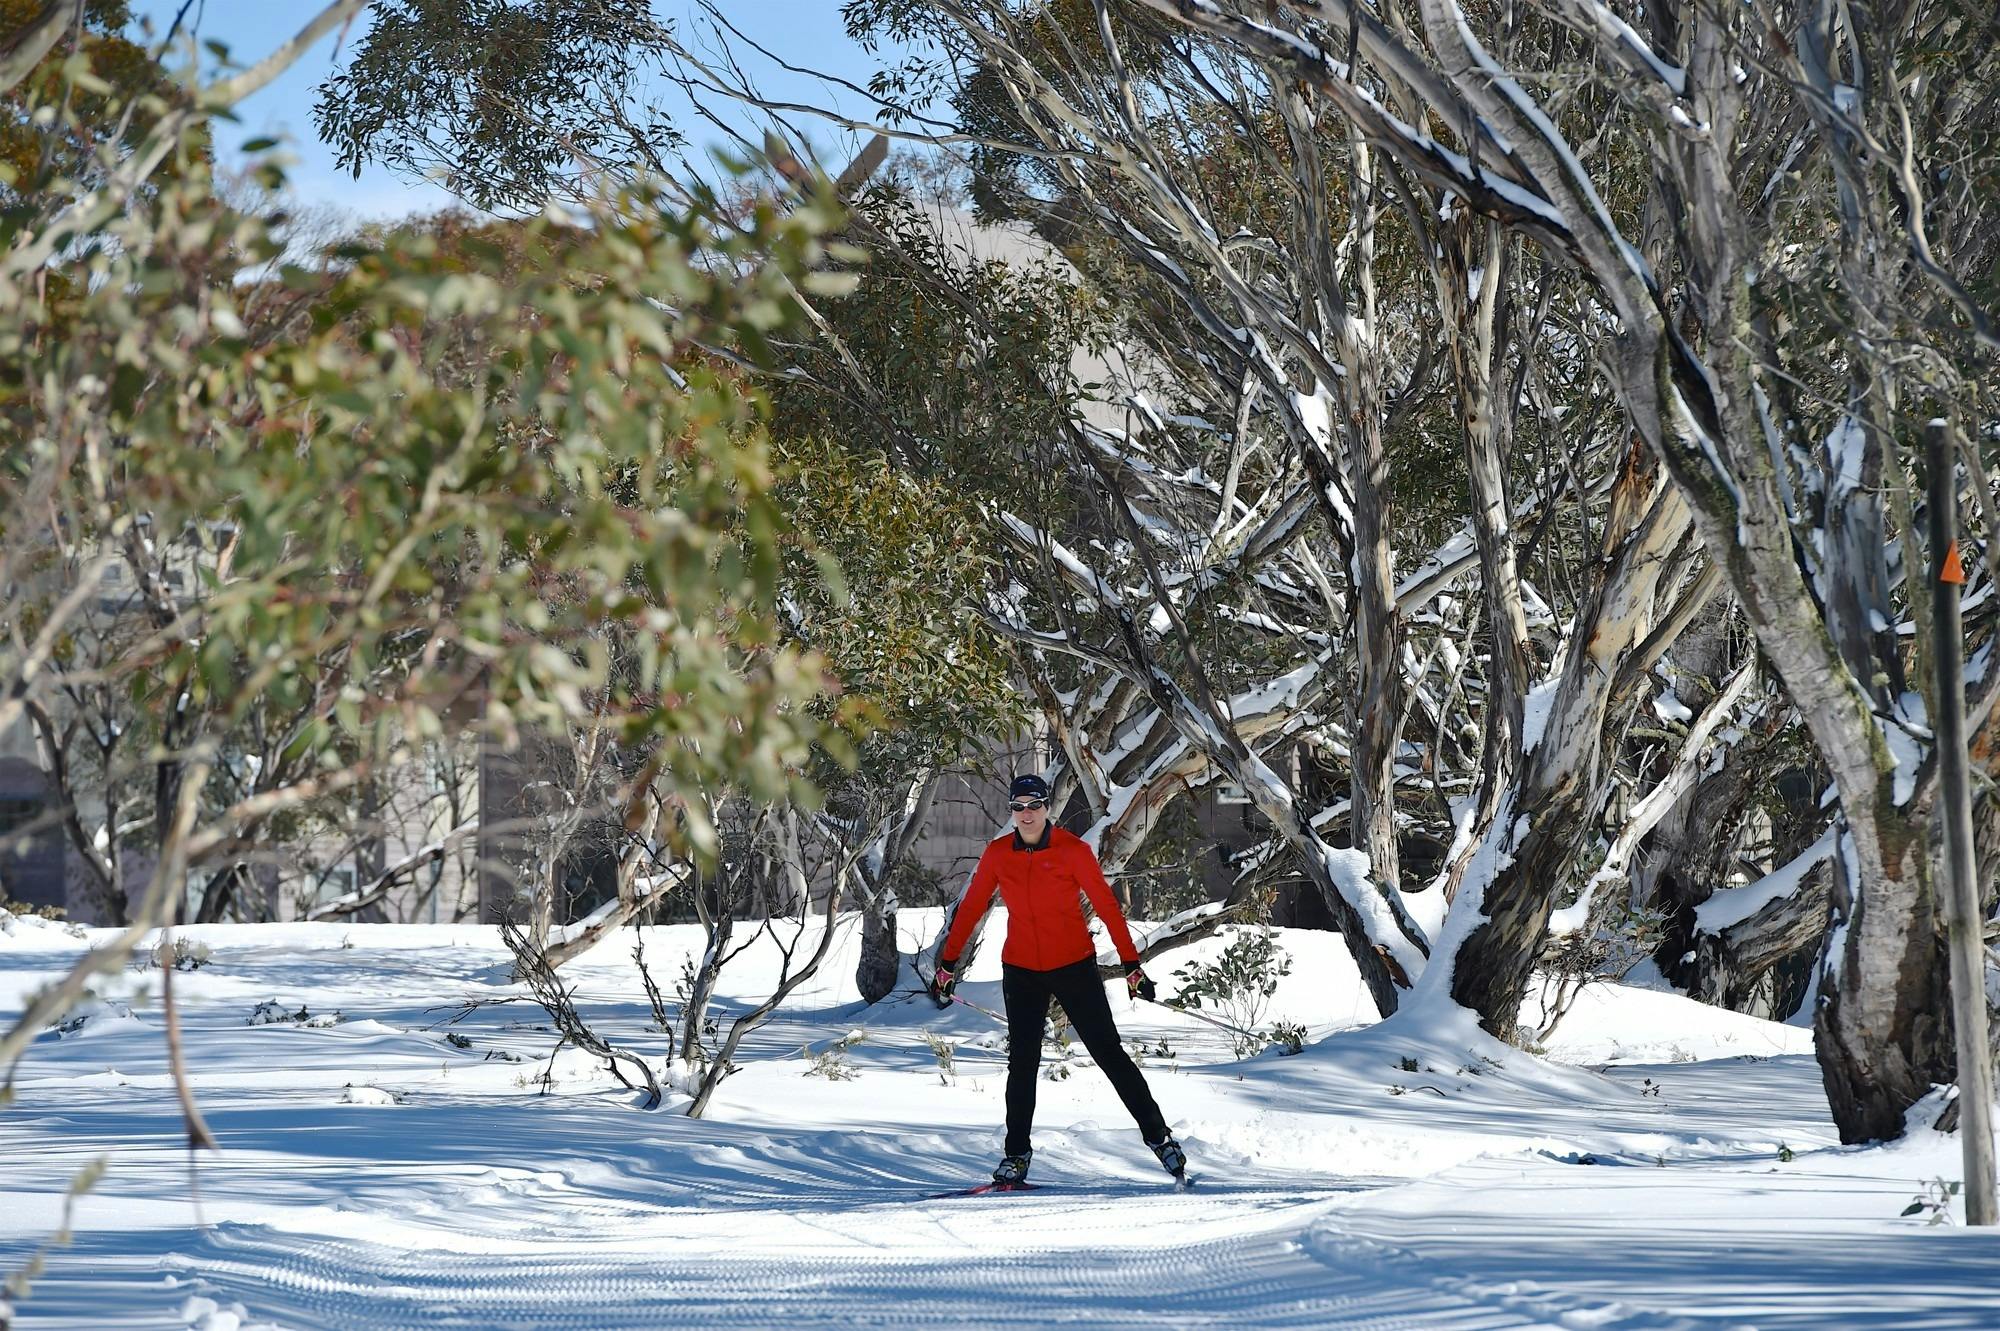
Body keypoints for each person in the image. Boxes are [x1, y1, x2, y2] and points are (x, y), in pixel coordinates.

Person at [928, 773, 1187, 1187]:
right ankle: (1016, 1155)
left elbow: (1106, 906)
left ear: (1047, 808)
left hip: (1074, 967)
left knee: (1109, 1053)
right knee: (1023, 1063)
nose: (1026, 814)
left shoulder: (1072, 850)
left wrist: (1131, 965)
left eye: (1034, 806)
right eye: (1018, 807)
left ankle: (1160, 1138)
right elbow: (973, 905)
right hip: (1022, 970)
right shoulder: (998, 854)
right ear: (1011, 812)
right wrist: (948, 965)